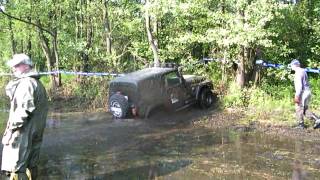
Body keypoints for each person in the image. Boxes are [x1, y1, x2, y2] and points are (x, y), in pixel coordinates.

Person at [1, 53, 48, 180]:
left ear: (26, 66)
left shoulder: (27, 83)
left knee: (17, 168)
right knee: (31, 165)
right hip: (33, 131)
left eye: (17, 65)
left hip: (23, 133)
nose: (13, 68)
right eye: (13, 66)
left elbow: (23, 111)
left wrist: (10, 131)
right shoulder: (36, 83)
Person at [290, 59, 320, 129]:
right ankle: (317, 120)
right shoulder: (303, 70)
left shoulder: (297, 73)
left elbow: (299, 86)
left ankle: (301, 124)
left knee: (298, 107)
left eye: (291, 65)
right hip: (308, 91)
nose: (291, 67)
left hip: (302, 92)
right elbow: (292, 74)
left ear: (294, 65)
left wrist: (297, 96)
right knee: (305, 109)